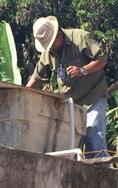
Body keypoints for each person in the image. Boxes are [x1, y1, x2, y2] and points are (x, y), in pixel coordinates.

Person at [26, 16, 109, 158]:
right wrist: (22, 94)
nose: (50, 47)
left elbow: (102, 60)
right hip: (71, 105)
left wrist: (83, 70)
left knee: (94, 138)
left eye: (51, 43)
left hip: (92, 98)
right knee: (69, 146)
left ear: (58, 33)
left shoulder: (80, 37)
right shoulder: (48, 54)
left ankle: (103, 175)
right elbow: (36, 78)